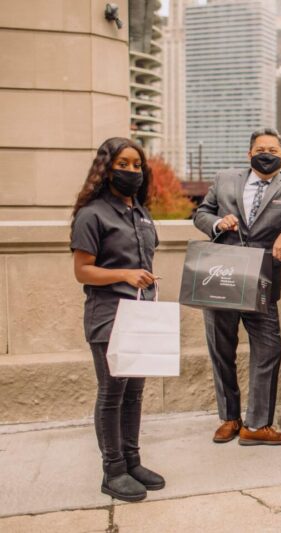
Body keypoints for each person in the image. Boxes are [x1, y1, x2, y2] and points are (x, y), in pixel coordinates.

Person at [194, 128, 281, 446]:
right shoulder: (225, 179)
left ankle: (257, 424)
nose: (267, 153)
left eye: (274, 150)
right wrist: (216, 223)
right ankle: (229, 418)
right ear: (249, 153)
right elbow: (201, 212)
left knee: (269, 348)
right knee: (221, 349)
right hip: (223, 274)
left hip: (262, 280)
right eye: (260, 148)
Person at [71, 137, 164, 502]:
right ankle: (113, 470)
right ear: (106, 168)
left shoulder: (141, 212)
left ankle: (131, 459)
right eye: (123, 164)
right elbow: (82, 271)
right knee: (112, 393)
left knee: (135, 394)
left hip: (140, 314)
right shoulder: (91, 214)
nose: (131, 171)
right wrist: (125, 274)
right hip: (109, 316)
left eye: (136, 165)